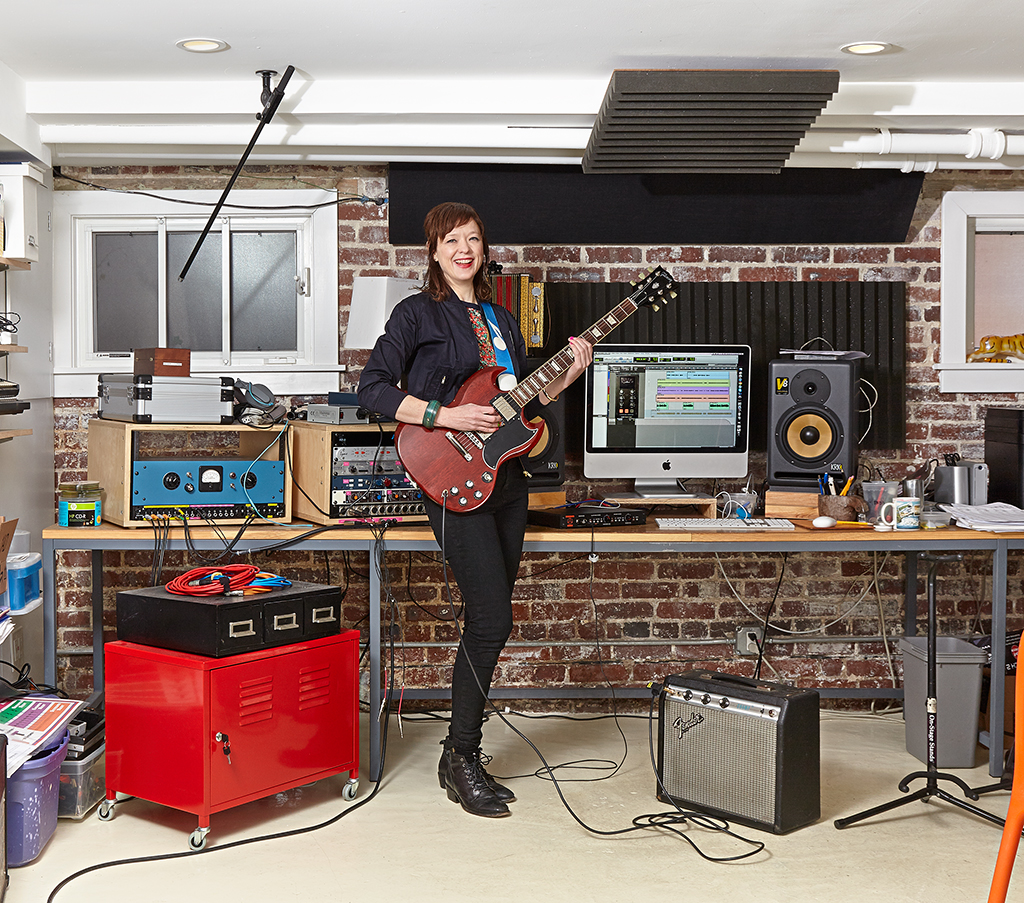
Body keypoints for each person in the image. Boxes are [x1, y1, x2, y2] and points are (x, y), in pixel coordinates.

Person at [357, 202, 593, 818]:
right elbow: (373, 390)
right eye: (453, 239)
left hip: (506, 482)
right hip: (451, 480)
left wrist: (569, 372)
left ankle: (458, 753)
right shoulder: (415, 314)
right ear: (433, 251)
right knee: (493, 618)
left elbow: (520, 404)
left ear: (485, 251)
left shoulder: (501, 318)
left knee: (486, 621)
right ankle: (462, 757)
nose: (466, 248)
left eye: (475, 239)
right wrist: (447, 415)